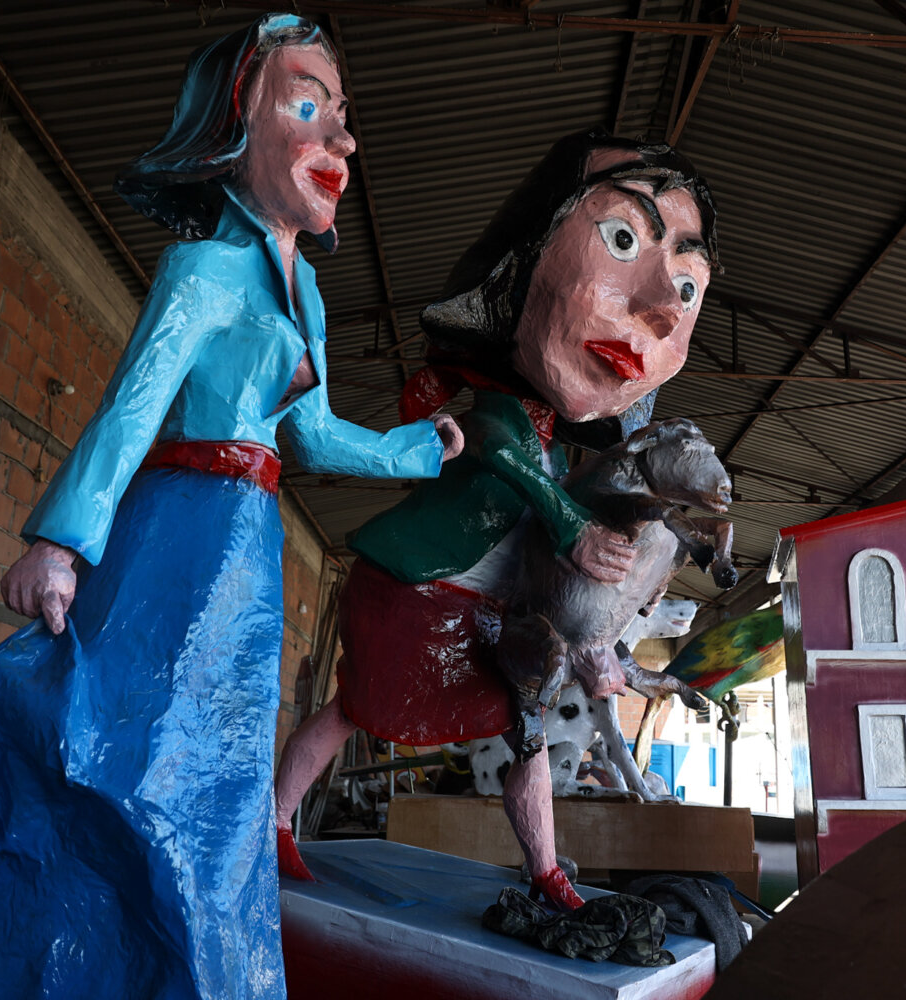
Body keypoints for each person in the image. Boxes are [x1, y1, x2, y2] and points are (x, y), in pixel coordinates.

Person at [0, 14, 460, 1000]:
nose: (341, 139)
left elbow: (310, 436)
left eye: (342, 116)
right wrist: (60, 542)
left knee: (219, 782)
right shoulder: (202, 269)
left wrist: (416, 450)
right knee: (130, 754)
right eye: (307, 106)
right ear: (235, 123)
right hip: (179, 530)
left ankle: (193, 972)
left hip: (250, 550)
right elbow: (131, 406)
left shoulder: (308, 298)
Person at [274, 128, 719, 911]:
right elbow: (498, 451)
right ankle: (275, 820)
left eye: (686, 288)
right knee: (355, 707)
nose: (659, 308)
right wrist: (572, 527)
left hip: (497, 619)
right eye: (621, 239)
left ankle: (545, 869)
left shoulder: (567, 458)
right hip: (419, 585)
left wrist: (601, 641)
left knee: (529, 735)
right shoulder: (504, 417)